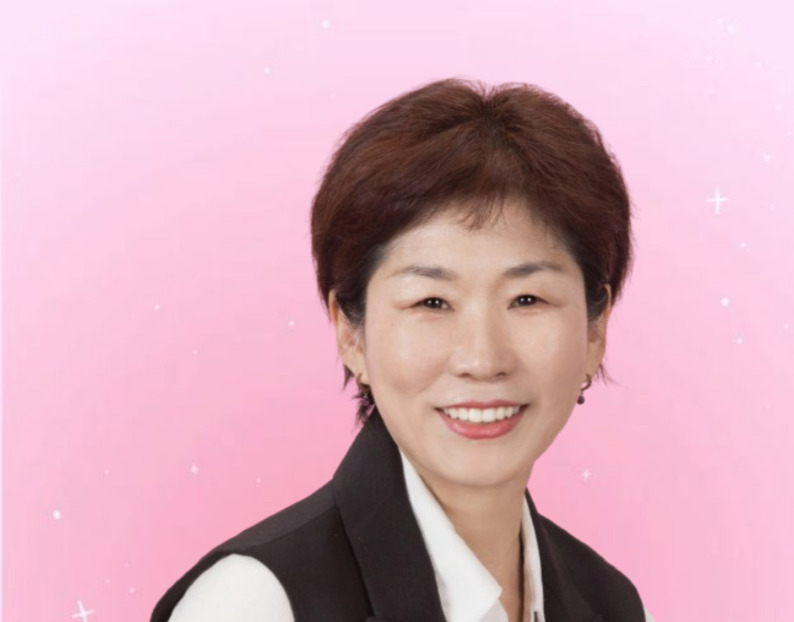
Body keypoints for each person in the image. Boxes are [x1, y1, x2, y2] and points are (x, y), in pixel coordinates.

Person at [151, 77, 655, 622]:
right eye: (432, 302)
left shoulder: (613, 605)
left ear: (595, 330)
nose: (482, 359)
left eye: (527, 299)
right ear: (351, 332)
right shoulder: (254, 603)